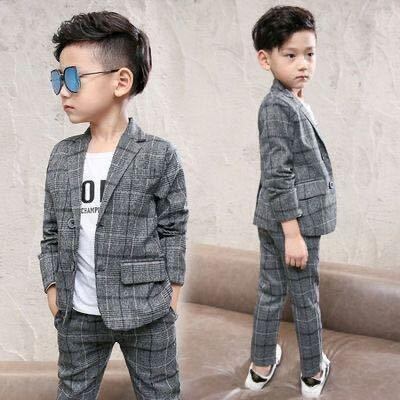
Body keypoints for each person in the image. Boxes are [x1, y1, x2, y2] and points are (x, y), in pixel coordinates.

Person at [37, 10, 188, 400]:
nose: (63, 91)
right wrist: (53, 289)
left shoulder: (157, 155)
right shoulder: (62, 156)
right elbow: (51, 232)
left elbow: (173, 229)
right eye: (58, 79)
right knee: (72, 392)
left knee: (161, 393)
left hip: (146, 310)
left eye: (73, 78)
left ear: (121, 81)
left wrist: (171, 295)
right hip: (78, 313)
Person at [245, 5, 337, 398]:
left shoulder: (290, 99)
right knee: (304, 296)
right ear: (265, 59)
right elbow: (278, 174)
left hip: (274, 218)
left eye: (310, 54)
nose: (303, 64)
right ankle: (313, 370)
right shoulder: (277, 107)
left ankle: (261, 364)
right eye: (291, 55)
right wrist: (293, 235)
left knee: (271, 290)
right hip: (294, 222)